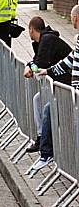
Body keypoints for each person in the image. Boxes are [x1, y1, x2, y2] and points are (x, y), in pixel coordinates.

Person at [29, 4, 79, 171]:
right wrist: (46, 70)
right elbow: (67, 62)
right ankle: (45, 149)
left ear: (75, 18)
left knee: (49, 109)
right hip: (70, 89)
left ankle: (46, 154)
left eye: (72, 19)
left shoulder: (47, 39)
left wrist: (37, 67)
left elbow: (41, 62)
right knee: (45, 107)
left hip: (73, 91)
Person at [22, 16, 71, 153]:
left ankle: (45, 145)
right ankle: (42, 138)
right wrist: (29, 65)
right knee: (38, 100)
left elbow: (40, 63)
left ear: (31, 29)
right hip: (59, 82)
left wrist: (30, 67)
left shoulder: (47, 40)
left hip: (66, 84)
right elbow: (36, 61)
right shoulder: (42, 40)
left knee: (43, 104)